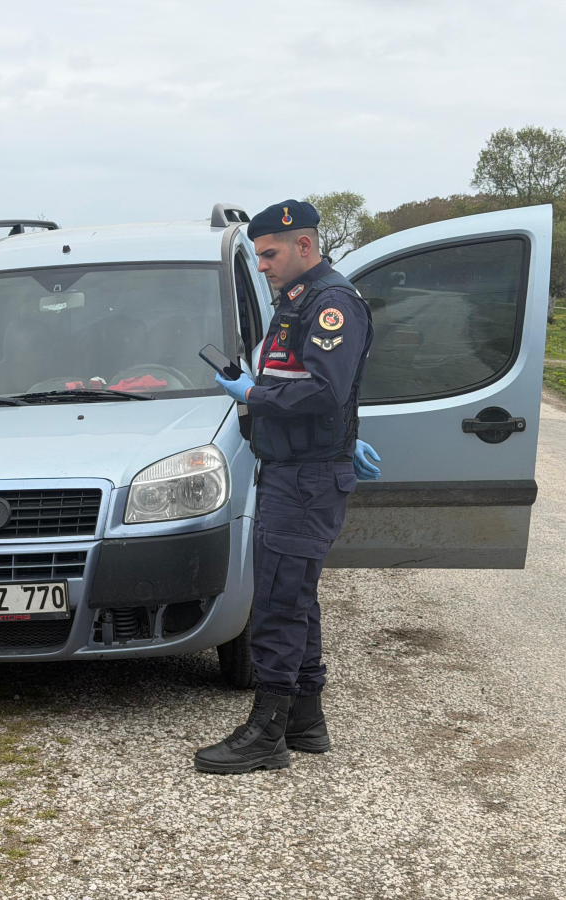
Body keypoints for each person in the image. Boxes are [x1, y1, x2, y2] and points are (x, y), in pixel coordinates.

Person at [195, 199, 382, 775]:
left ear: (304, 245)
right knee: (295, 596)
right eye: (258, 255)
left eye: (270, 254)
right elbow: (311, 385)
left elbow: (326, 391)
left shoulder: (331, 304)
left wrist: (253, 395)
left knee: (278, 601)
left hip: (306, 479)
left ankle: (266, 733)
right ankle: (305, 719)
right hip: (295, 469)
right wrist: (342, 436)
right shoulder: (297, 300)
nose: (263, 265)